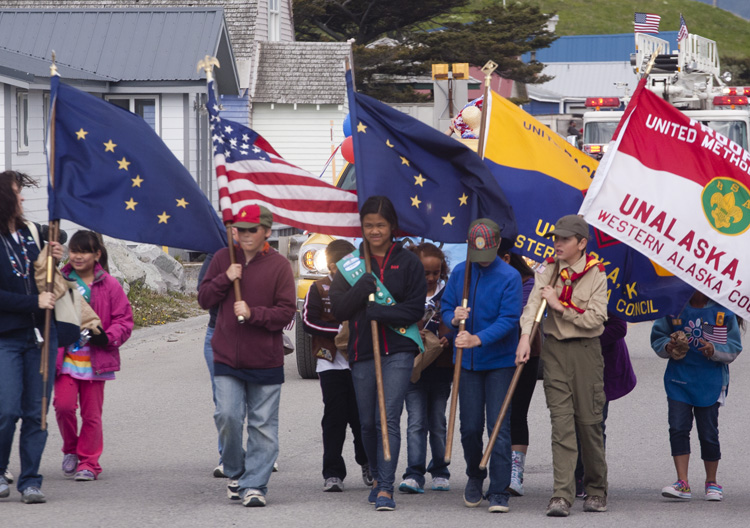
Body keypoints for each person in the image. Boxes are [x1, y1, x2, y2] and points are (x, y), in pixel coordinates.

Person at [329, 195, 426, 511]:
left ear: (392, 227)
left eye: (380, 225)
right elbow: (339, 309)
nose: (374, 231)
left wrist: (380, 313)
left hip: (398, 348)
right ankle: (376, 476)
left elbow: (414, 310)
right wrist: (362, 287)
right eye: (368, 225)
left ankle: (386, 487)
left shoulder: (408, 262)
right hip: (362, 351)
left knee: (388, 418)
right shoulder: (352, 265)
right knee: (368, 423)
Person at [197, 204, 295, 507]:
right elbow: (204, 299)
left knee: (262, 425)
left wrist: (253, 313)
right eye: (239, 229)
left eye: (252, 229)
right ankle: (237, 471)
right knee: (226, 415)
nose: (245, 235)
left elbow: (286, 312)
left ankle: (255, 485)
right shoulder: (223, 257)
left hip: (265, 359)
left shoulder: (279, 266)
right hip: (227, 356)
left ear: (266, 231)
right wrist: (225, 278)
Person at [516, 214, 608, 517]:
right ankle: (562, 494)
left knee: (589, 423)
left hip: (585, 352)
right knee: (561, 424)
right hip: (554, 351)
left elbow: (595, 320)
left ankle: (595, 489)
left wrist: (559, 306)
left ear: (581, 243)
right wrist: (526, 338)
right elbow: (532, 307)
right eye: (556, 238)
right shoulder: (547, 270)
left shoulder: (596, 274)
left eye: (565, 239)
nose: (557, 243)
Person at [441, 219, 522, 513]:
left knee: (497, 426)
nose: (482, 262)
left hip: (499, 362)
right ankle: (476, 475)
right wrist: (453, 317)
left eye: (486, 255)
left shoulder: (510, 276)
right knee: (470, 427)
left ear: (497, 246)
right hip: (467, 364)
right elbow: (446, 307)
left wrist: (479, 338)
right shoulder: (461, 272)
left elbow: (509, 318)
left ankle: (499, 488)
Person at [0, 170, 63, 504]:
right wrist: (31, 302)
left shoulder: (30, 233)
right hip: (6, 337)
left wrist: (53, 259)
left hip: (42, 335)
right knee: (6, 410)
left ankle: (31, 480)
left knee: (36, 412)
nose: (22, 198)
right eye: (16, 192)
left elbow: (43, 278)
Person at [53, 231, 133, 482]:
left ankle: (88, 462)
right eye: (74, 251)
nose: (77, 256)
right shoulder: (59, 280)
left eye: (84, 251)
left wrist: (108, 337)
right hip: (64, 357)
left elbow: (124, 319)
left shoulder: (109, 284)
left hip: (95, 361)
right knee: (63, 406)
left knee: (91, 414)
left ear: (97, 254)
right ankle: (71, 449)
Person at [651, 290, 742, 502]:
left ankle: (712, 481)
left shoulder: (724, 310)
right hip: (679, 379)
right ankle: (682, 482)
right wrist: (669, 345)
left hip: (710, 381)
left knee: (708, 431)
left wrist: (714, 350)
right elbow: (658, 336)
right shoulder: (673, 306)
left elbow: (734, 346)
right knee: (678, 427)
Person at [302, 239, 371, 493]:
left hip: (359, 363)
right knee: (334, 418)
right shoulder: (318, 289)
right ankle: (332, 473)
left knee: (362, 418)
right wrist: (340, 331)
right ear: (331, 267)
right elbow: (308, 322)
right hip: (330, 364)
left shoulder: (363, 286)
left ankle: (367, 463)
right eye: (343, 266)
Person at [399, 243, 453, 495]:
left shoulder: (449, 293)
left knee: (438, 422)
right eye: (425, 273)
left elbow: (457, 323)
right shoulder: (406, 293)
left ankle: (440, 470)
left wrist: (448, 337)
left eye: (436, 273)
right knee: (416, 421)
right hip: (413, 368)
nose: (431, 278)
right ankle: (414, 472)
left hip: (441, 369)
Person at [574, 310, 636, 498]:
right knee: (570, 424)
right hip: (572, 365)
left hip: (602, 365)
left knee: (594, 424)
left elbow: (619, 327)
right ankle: (574, 476)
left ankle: (593, 478)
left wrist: (586, 340)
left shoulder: (605, 289)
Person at [498, 250, 541, 497]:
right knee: (497, 413)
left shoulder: (529, 281)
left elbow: (520, 316)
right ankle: (498, 468)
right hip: (494, 354)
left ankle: (516, 473)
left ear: (506, 258)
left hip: (525, 355)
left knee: (517, 413)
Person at [197, 253, 225, 478]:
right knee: (225, 402)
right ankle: (229, 456)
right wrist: (227, 278)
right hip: (218, 333)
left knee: (255, 401)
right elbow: (203, 295)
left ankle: (260, 454)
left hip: (254, 336)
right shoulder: (216, 255)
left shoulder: (269, 259)